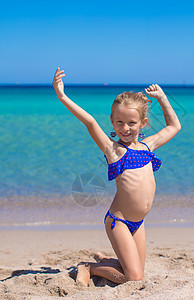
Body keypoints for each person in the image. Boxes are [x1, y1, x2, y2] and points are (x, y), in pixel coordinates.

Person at [52, 68, 181, 285]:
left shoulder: (148, 146)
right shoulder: (114, 150)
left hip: (138, 223)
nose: (125, 128)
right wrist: (62, 95)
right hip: (118, 222)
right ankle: (88, 267)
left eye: (132, 123)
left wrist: (162, 98)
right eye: (119, 122)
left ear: (143, 123)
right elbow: (90, 122)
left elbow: (174, 126)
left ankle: (105, 260)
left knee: (135, 271)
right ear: (112, 122)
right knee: (134, 277)